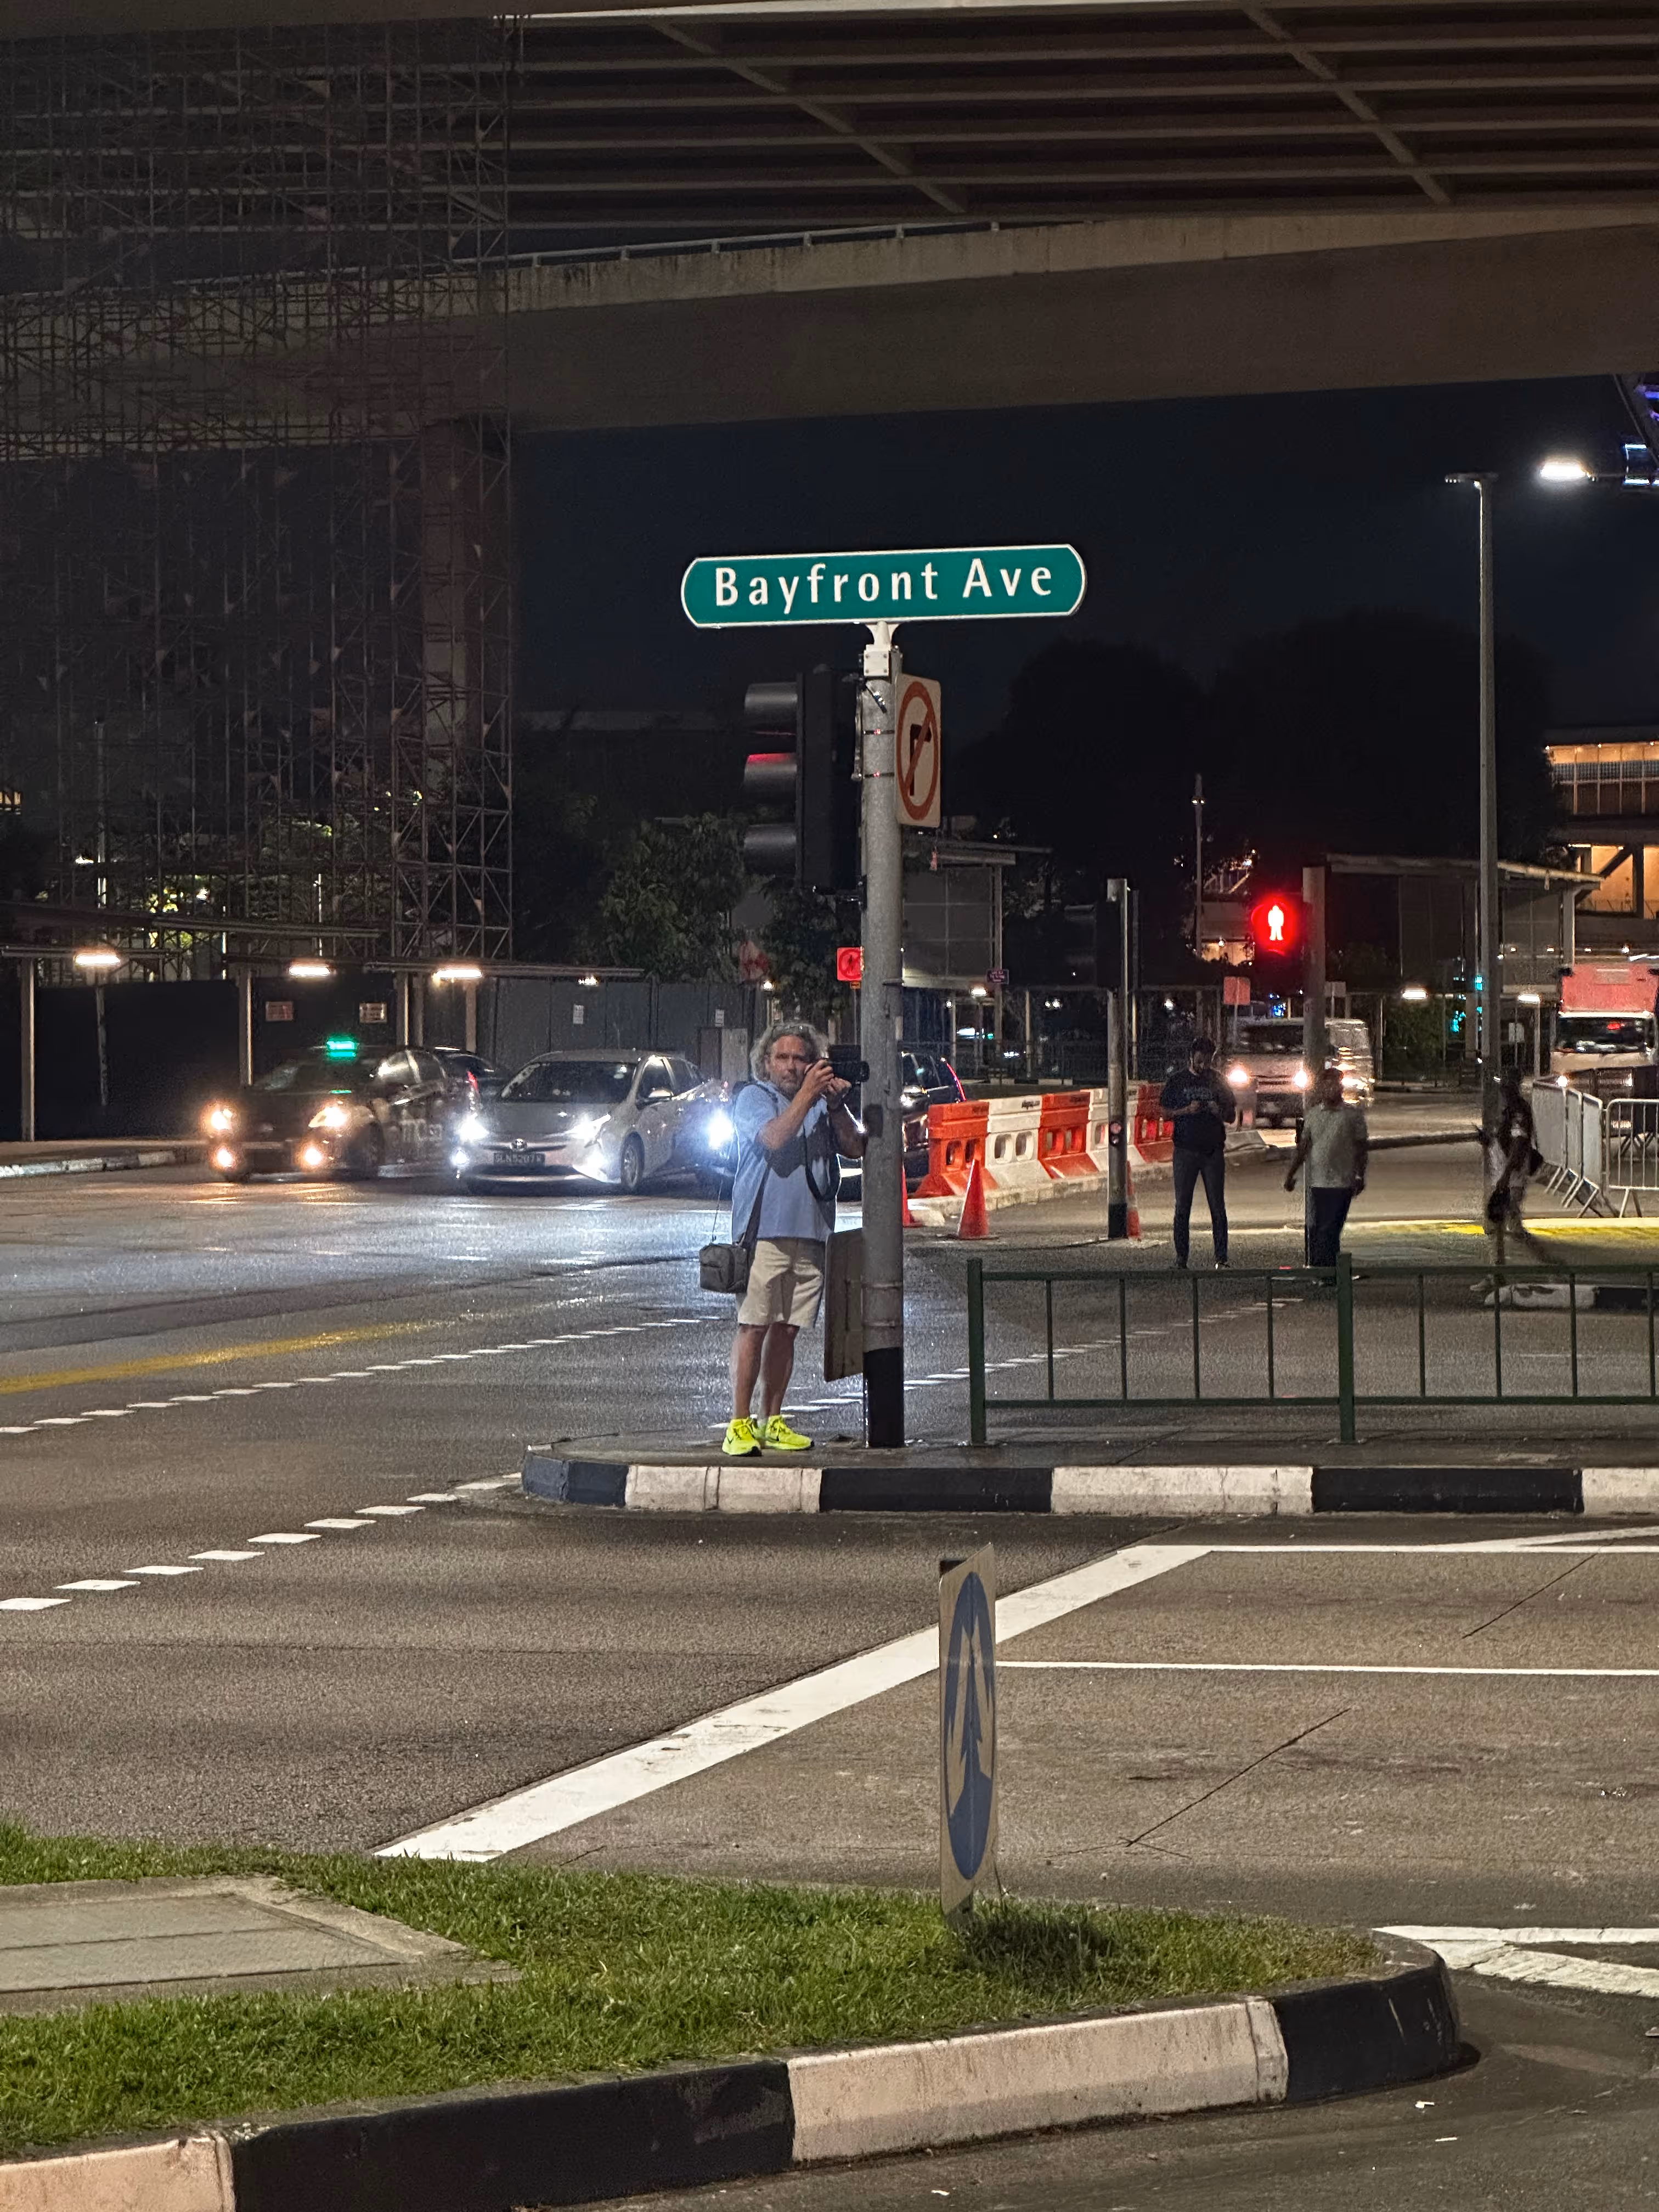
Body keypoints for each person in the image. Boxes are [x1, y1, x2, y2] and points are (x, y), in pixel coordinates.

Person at [724, 1018, 865, 1459]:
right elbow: (773, 1137)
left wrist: (837, 1104)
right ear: (765, 1063)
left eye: (800, 1058)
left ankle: (772, 1419)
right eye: (781, 1058)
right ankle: (739, 1423)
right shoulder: (753, 1098)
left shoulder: (821, 1104)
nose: (790, 1066)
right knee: (754, 1326)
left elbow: (856, 1147)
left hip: (814, 1230)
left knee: (787, 1329)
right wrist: (808, 1097)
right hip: (764, 1230)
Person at [1160, 1036, 1236, 1269]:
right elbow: (1165, 1113)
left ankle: (1221, 1258)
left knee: (1217, 1206)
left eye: (1209, 1060)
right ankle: (1181, 1258)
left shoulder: (1217, 1081)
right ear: (1192, 1057)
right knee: (1183, 1206)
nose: (1204, 1065)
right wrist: (1187, 1110)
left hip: (1212, 1151)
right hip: (1185, 1150)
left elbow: (1231, 1116)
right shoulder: (1177, 1081)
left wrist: (1217, 1110)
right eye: (1201, 1060)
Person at [1285, 1064, 1369, 1267]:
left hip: (1343, 1181)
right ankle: (1327, 1270)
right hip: (1319, 1182)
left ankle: (1327, 1270)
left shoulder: (1352, 1116)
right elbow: (1303, 1147)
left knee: (1331, 1227)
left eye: (1335, 1084)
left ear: (1341, 1088)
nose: (1331, 1088)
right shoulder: (1314, 1115)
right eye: (1327, 1084)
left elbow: (1361, 1148)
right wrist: (1291, 1174)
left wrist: (1359, 1175)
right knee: (1321, 1227)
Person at [1485, 1067, 1542, 1263]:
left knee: (1498, 1225)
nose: (1502, 1089)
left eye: (1506, 1084)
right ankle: (1547, 1266)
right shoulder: (1509, 1109)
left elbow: (1518, 1145)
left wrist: (1506, 1176)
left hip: (1512, 1178)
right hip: (1507, 1177)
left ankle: (1546, 1265)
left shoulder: (1518, 1110)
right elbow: (1503, 1138)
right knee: (1510, 1226)